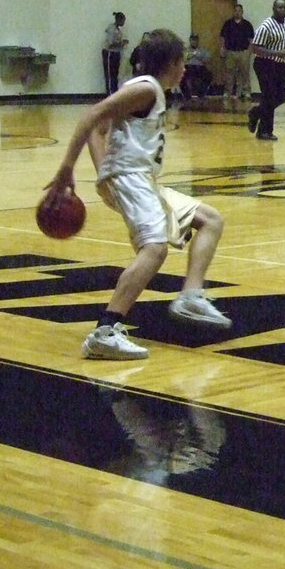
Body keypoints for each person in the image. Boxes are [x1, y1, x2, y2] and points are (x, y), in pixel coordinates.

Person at [42, 29, 231, 360]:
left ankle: (190, 295)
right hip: (132, 179)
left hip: (139, 179)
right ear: (171, 63)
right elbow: (91, 117)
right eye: (182, 63)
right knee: (155, 249)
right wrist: (67, 169)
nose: (185, 69)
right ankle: (105, 331)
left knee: (210, 220)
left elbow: (99, 131)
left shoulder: (145, 90)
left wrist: (105, 173)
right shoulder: (146, 89)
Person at [248, 0, 285, 141]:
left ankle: (255, 112)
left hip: (278, 65)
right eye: (279, 7)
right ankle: (264, 131)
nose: (281, 10)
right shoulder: (266, 26)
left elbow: (284, 44)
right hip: (264, 63)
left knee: (280, 97)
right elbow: (255, 48)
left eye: (284, 7)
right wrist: (275, 53)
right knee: (269, 97)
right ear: (273, 9)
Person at [219, 3, 255, 102]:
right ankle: (228, 92)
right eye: (235, 10)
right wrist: (222, 48)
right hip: (230, 52)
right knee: (229, 73)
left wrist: (249, 51)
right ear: (233, 12)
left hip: (243, 52)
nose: (237, 12)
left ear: (242, 12)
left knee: (245, 73)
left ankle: (246, 92)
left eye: (239, 11)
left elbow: (251, 39)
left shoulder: (247, 24)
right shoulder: (228, 23)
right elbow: (223, 37)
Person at [102, 11, 129, 94]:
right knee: (110, 75)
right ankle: (110, 93)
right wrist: (121, 43)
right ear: (118, 20)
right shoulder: (111, 29)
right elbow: (110, 44)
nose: (124, 23)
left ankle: (114, 92)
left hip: (116, 54)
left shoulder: (118, 29)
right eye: (123, 21)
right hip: (110, 54)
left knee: (115, 75)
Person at [181, 33, 213, 100]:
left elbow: (207, 61)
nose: (194, 42)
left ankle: (201, 94)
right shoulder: (185, 50)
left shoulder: (203, 51)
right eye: (192, 40)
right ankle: (186, 95)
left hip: (199, 67)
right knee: (181, 76)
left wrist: (198, 56)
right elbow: (181, 60)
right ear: (190, 41)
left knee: (208, 75)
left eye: (195, 40)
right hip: (188, 67)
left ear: (198, 41)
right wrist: (189, 56)